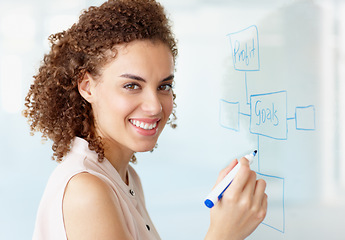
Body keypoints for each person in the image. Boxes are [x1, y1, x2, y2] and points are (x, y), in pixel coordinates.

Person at [23, 0, 267, 239]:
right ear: (87, 87)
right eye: (131, 85)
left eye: (164, 86)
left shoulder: (124, 176)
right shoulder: (87, 191)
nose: (154, 106)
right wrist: (224, 234)